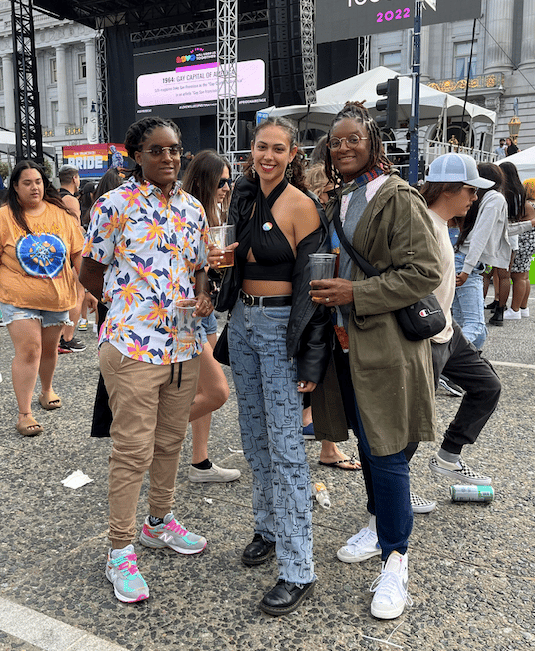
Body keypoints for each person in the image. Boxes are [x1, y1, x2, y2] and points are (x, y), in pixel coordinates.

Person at [309, 101, 442, 619]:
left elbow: (424, 271)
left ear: (373, 144)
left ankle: (396, 559)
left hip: (385, 345)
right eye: (335, 141)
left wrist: (355, 293)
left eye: (353, 139)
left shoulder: (397, 196)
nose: (343, 147)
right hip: (345, 345)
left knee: (386, 450)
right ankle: (375, 522)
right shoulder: (340, 197)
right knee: (368, 444)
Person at [80, 116, 213, 603]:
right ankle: (120, 550)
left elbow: (200, 268)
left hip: (183, 346)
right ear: (137, 156)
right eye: (157, 150)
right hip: (132, 348)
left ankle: (158, 522)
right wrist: (122, 309)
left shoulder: (193, 208)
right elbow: (89, 269)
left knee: (170, 441)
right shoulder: (115, 204)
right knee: (132, 450)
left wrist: (204, 294)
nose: (169, 158)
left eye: (174, 149)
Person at [208, 116, 331, 616]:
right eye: (262, 147)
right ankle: (268, 527)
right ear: (251, 150)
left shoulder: (303, 206)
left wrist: (312, 358)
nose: (268, 156)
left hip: (282, 330)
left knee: (286, 448)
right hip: (242, 324)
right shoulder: (241, 197)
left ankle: (299, 569)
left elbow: (315, 290)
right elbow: (231, 263)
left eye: (279, 149)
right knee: (254, 436)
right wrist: (218, 269)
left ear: (292, 154)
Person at [402, 154, 502, 506]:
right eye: (471, 190)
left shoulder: (443, 222)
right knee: (413, 422)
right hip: (425, 333)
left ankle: (448, 457)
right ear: (449, 189)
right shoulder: (423, 225)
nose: (475, 197)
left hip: (446, 327)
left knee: (488, 386)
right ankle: (394, 492)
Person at [0, 160, 84, 436]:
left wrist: (88, 289)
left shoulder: (61, 214)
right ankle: (24, 413)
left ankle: (46, 389)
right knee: (30, 350)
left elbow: (77, 254)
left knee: (49, 349)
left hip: (57, 296)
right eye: (27, 183)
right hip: (18, 297)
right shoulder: (4, 217)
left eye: (37, 181)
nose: (34, 187)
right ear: (15, 186)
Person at [180, 149, 240, 482]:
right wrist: (206, 263)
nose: (227, 187)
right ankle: (152, 434)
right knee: (217, 391)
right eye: (222, 182)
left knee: (201, 390)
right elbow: (179, 267)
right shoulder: (186, 213)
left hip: (207, 312)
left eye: (229, 181)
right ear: (205, 181)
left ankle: (199, 462)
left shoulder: (215, 213)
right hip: (188, 311)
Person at [304, 162, 360, 471]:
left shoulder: (334, 217)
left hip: (333, 308)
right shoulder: (319, 219)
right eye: (329, 191)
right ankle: (324, 441)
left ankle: (328, 445)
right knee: (326, 375)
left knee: (330, 375)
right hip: (324, 309)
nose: (334, 197)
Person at [452, 163, 534, 339]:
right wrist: (467, 270)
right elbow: (481, 235)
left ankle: (454, 354)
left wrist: (529, 224)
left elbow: (500, 230)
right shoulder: (495, 198)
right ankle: (452, 354)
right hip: (468, 262)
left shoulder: (480, 197)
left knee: (461, 322)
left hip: (463, 258)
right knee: (475, 326)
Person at [57, 164, 91, 352]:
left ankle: (59, 336)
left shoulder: (54, 197)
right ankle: (66, 337)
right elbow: (75, 229)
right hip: (71, 252)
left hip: (58, 252)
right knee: (78, 294)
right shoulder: (70, 200)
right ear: (74, 179)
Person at [503, 177, 535, 319]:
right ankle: (523, 307)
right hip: (531, 241)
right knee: (524, 276)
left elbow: (516, 221)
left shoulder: (526, 205)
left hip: (523, 240)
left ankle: (515, 309)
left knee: (518, 277)